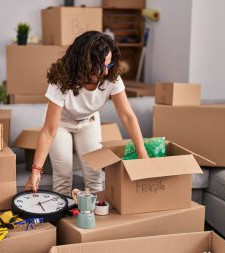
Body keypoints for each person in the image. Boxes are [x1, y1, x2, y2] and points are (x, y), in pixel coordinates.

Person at [25, 31, 149, 196]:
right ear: (85, 62)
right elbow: (48, 131)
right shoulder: (62, 80)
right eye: (101, 66)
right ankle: (63, 219)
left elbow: (127, 116)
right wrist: (36, 171)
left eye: (109, 64)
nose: (105, 71)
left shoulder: (111, 77)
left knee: (95, 175)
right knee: (63, 175)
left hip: (88, 122)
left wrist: (142, 153)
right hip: (61, 125)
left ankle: (96, 217)